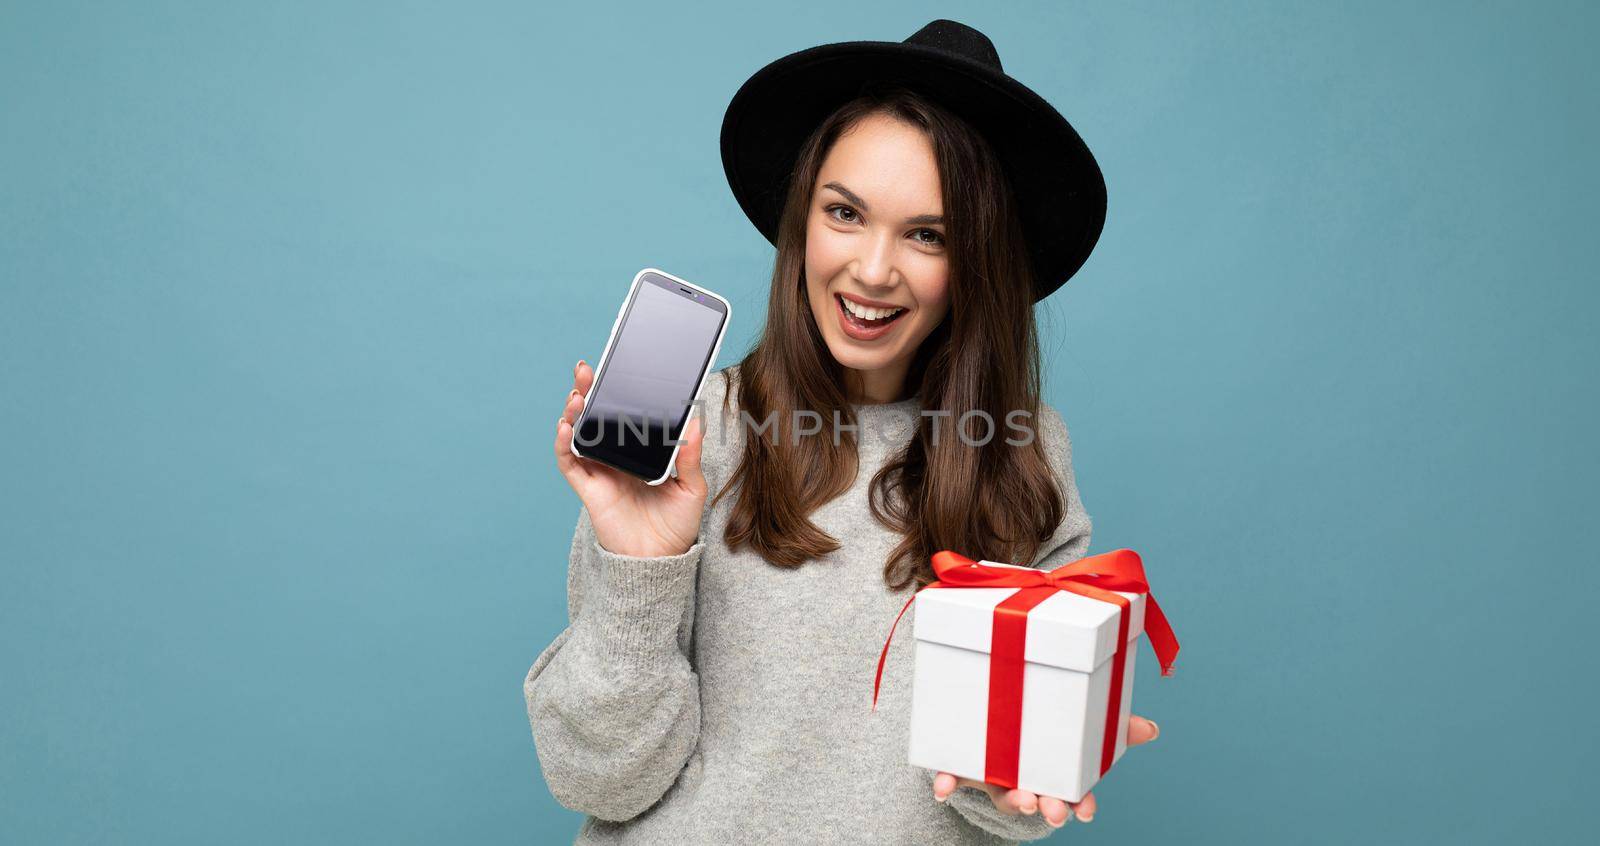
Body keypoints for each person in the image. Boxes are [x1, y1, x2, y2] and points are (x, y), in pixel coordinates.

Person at [526, 19, 1162, 844]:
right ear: (804, 220)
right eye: (845, 213)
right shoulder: (688, 438)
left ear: (977, 261)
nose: (871, 270)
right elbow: (596, 779)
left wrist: (1023, 768)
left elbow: (1002, 801)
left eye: (927, 235)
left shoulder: (1021, 452)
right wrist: (640, 567)